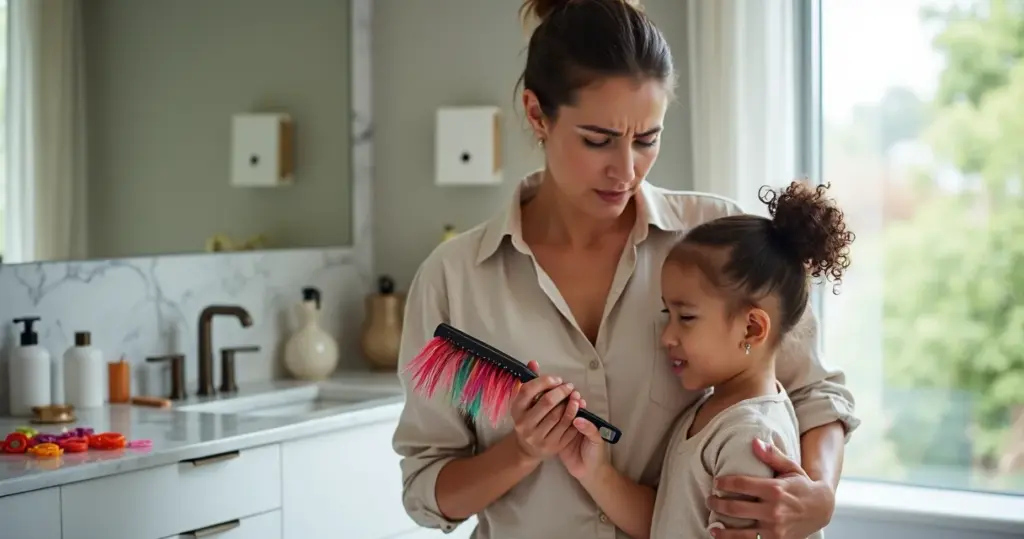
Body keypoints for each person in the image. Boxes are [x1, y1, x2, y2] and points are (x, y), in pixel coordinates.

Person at [392, 0, 860, 537]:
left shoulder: (716, 237)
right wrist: (522, 451)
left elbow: (816, 395)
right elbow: (427, 491)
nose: (626, 169)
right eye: (598, 140)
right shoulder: (454, 279)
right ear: (536, 113)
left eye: (647, 139)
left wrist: (818, 496)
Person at [561, 181, 854, 539]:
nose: (666, 336)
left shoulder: (751, 439)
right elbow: (670, 524)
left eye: (685, 318)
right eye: (668, 314)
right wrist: (597, 474)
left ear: (751, 328)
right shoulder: (710, 413)